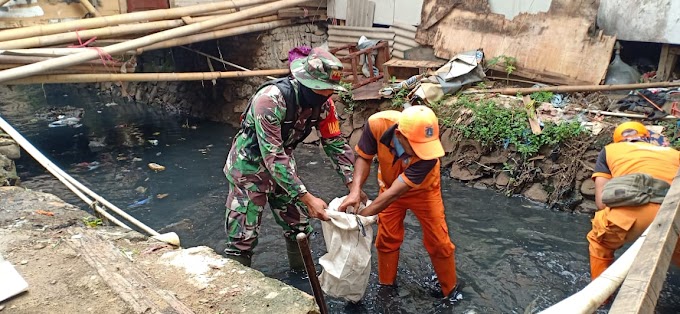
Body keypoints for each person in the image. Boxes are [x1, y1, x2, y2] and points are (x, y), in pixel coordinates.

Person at [222, 48, 363, 269]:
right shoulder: (269, 101)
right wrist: (307, 198)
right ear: (306, 83)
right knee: (242, 239)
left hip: (285, 171)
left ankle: (304, 282)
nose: (328, 95)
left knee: (300, 229)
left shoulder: (325, 105)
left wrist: (353, 185)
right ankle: (237, 289)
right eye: (323, 89)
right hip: (248, 170)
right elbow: (273, 156)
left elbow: (335, 143)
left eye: (330, 90)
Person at [339, 105, 462, 299]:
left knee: (439, 242)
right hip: (388, 186)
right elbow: (364, 157)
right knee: (387, 238)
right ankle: (386, 288)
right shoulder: (376, 124)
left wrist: (362, 216)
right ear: (399, 135)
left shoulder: (429, 156)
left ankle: (450, 292)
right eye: (417, 146)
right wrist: (355, 191)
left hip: (424, 192)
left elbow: (394, 195)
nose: (423, 152)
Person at [587, 121, 680, 280]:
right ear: (647, 138)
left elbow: (602, 202)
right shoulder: (673, 153)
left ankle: (602, 299)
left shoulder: (610, 150)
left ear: (617, 140)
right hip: (673, 217)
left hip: (628, 219)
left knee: (598, 242)